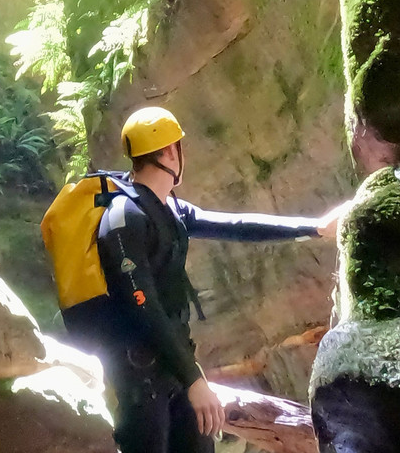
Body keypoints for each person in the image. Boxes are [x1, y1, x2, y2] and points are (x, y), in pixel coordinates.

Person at [91, 106, 348, 453]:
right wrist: (195, 380)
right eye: (179, 146)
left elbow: (237, 226)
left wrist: (315, 229)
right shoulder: (124, 218)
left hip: (175, 369)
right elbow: (144, 309)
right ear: (169, 152)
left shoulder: (168, 209)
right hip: (139, 379)